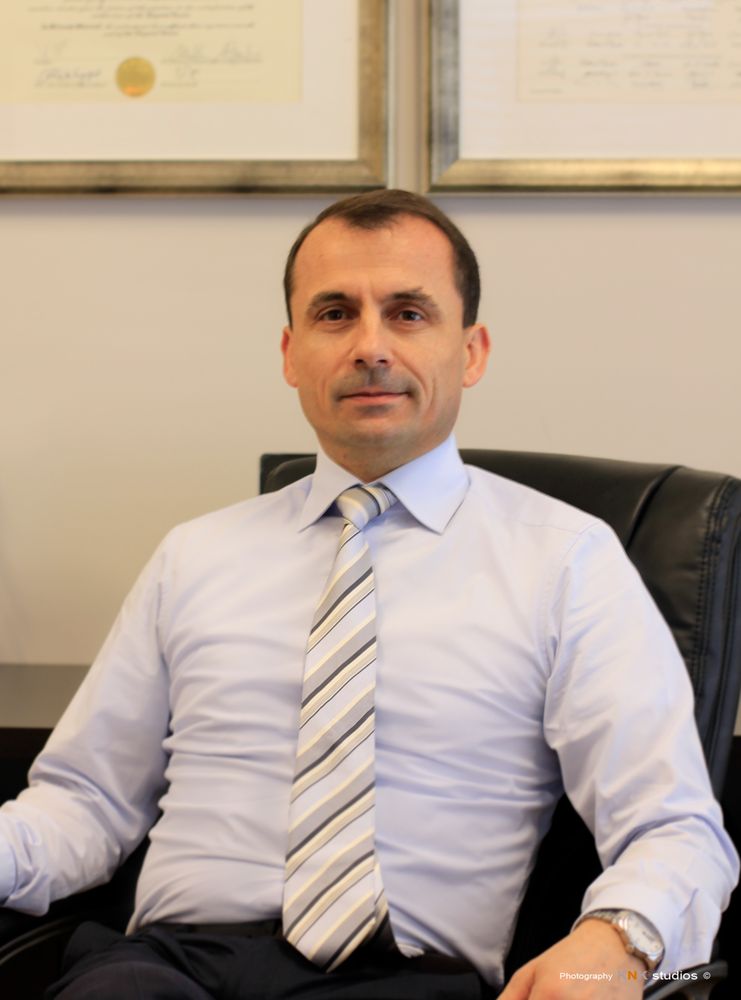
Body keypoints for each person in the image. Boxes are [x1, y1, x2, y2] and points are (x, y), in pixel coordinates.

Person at [0, 189, 736, 1000]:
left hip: (405, 982)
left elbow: (672, 828)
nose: (370, 347)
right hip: (168, 971)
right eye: (334, 314)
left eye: (409, 314)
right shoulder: (194, 556)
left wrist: (615, 950)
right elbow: (84, 805)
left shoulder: (565, 561)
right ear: (291, 353)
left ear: (472, 351)